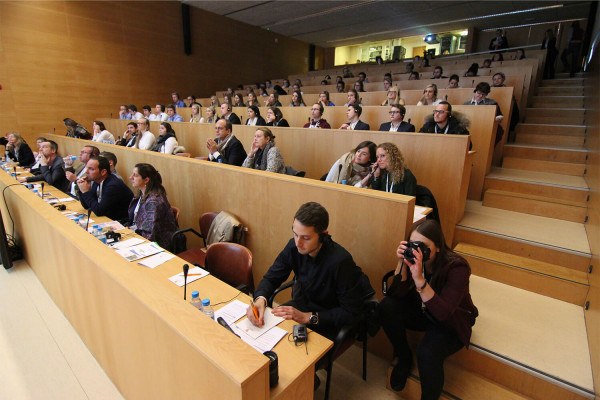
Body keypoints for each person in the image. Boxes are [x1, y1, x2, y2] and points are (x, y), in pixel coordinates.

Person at [247, 202, 373, 344]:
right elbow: (271, 278)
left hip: (330, 319)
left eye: (306, 238)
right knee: (265, 338)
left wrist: (308, 317)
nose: (298, 243)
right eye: (295, 234)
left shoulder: (341, 261)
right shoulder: (293, 247)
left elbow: (351, 313)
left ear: (323, 235)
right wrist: (260, 300)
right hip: (303, 306)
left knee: (294, 352)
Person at [380, 219, 478, 397]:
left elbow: (444, 313)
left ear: (438, 247)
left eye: (423, 246)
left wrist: (419, 280)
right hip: (424, 310)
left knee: (427, 353)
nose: (417, 251)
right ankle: (404, 357)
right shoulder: (412, 259)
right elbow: (396, 294)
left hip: (450, 320)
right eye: (413, 244)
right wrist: (401, 262)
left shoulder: (457, 267)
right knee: (386, 307)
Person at [127, 163, 181, 251]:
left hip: (158, 244)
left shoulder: (154, 202)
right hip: (137, 235)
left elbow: (150, 234)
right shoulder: (140, 194)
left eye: (135, 175)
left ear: (146, 180)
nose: (130, 177)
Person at [77, 156, 133, 222]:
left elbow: (99, 211)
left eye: (91, 169)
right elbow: (87, 206)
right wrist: (82, 189)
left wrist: (86, 192)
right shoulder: (96, 181)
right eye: (87, 168)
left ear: (103, 172)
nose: (86, 172)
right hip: (107, 218)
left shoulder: (113, 185)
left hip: (121, 222)